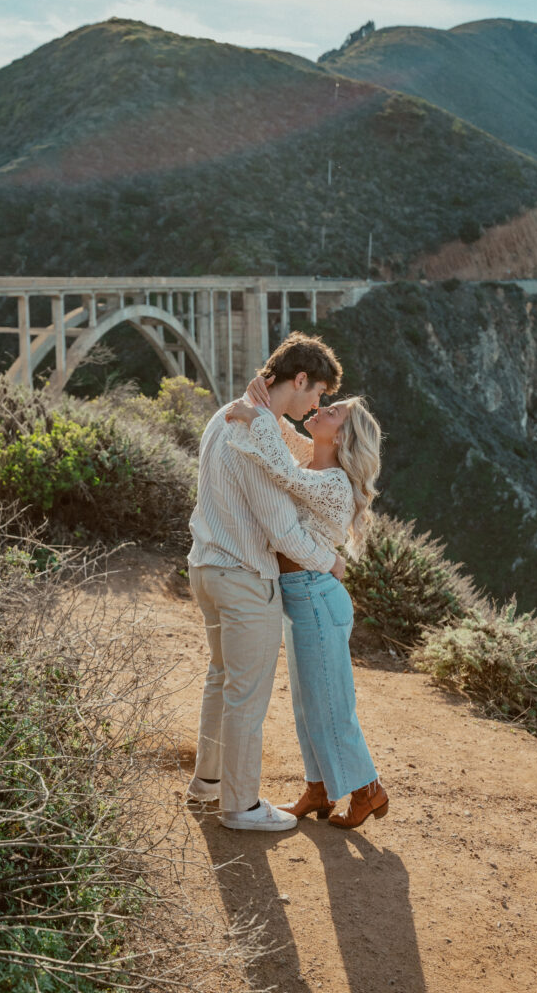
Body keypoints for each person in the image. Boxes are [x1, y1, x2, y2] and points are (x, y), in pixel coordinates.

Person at [187, 333, 346, 832]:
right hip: (243, 576)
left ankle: (208, 784)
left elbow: (291, 454)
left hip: (206, 568)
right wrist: (330, 560)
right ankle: (241, 806)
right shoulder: (254, 435)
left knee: (222, 680)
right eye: (317, 393)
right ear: (299, 380)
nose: (318, 403)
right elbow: (283, 530)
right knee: (247, 696)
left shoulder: (228, 416)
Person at [225, 374, 388, 829]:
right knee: (307, 703)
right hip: (303, 599)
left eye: (332, 412)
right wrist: (261, 400)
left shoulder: (332, 482)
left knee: (331, 703)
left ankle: (368, 790)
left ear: (342, 436)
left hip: (317, 598)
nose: (322, 409)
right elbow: (285, 439)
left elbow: (280, 469)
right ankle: (319, 789)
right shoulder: (314, 462)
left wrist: (253, 416)